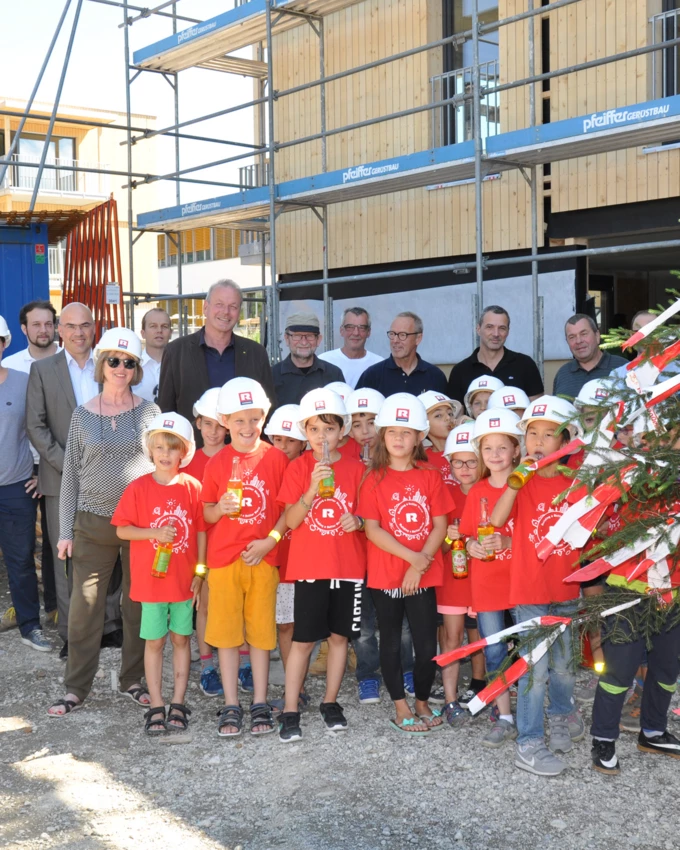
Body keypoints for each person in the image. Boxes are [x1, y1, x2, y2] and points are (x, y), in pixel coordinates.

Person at [47, 327, 160, 717]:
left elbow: (162, 467)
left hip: (140, 526)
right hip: (92, 522)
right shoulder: (82, 415)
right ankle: (76, 687)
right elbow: (71, 478)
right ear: (101, 363)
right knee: (85, 607)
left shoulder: (150, 413)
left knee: (137, 606)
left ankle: (133, 679)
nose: (120, 368)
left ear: (136, 368)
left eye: (129, 362)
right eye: (114, 360)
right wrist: (65, 531)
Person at [490, 395, 585, 776]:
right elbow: (498, 520)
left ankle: (561, 713)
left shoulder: (575, 482)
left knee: (564, 666)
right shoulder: (520, 482)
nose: (539, 441)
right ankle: (528, 742)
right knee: (536, 669)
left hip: (566, 588)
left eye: (549, 434)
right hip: (529, 591)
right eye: (532, 434)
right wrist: (517, 481)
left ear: (564, 441)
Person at [27, 302, 121, 658]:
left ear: (93, 328)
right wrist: (67, 464)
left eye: (85, 325)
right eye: (71, 326)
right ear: (59, 330)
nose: (78, 332)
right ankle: (73, 632)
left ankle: (109, 626)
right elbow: (35, 425)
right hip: (60, 478)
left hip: (107, 477)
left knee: (109, 552)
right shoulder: (42, 370)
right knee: (65, 556)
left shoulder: (110, 365)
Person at [358, 393, 454, 736]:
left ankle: (423, 701)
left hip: (422, 574)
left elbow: (440, 525)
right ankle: (400, 706)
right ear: (383, 435)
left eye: (407, 432)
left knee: (426, 644)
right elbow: (372, 529)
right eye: (392, 432)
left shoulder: (430, 476)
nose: (399, 438)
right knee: (391, 641)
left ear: (419, 437)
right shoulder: (373, 478)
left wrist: (419, 565)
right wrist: (412, 559)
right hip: (387, 573)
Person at [277, 388, 365, 742]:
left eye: (329, 429)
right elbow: (290, 520)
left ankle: (330, 702)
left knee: (340, 637)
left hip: (347, 566)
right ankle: (290, 708)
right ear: (305, 431)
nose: (322, 437)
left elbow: (369, 517)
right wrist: (311, 490)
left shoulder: (358, 469)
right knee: (303, 640)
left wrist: (358, 521)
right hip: (310, 566)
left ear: (342, 431)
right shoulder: (298, 467)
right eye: (314, 429)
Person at [202, 378, 288, 738]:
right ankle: (231, 703)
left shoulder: (276, 458)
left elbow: (287, 510)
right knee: (226, 635)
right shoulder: (217, 462)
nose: (248, 427)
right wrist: (219, 508)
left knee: (261, 634)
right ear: (225, 421)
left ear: (264, 417)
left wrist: (270, 541)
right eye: (239, 420)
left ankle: (260, 701)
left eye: (255, 418)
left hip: (262, 560)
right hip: (225, 561)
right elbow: (205, 513)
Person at [112, 414, 206, 736]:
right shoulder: (138, 488)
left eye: (173, 447)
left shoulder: (192, 487)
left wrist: (201, 571)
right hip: (151, 583)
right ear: (150, 450)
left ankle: (178, 702)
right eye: (159, 447)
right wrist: (153, 532)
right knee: (154, 642)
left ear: (184, 451)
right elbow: (122, 530)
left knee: (181, 639)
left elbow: (201, 531)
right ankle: (156, 703)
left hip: (183, 582)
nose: (166, 454)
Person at [461, 409, 521, 746]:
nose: (495, 454)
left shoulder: (526, 487)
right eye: (487, 448)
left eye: (502, 447)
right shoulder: (477, 491)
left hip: (523, 582)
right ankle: (505, 715)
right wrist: (470, 545)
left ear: (516, 450)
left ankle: (534, 712)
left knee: (531, 649)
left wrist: (508, 541)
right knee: (495, 652)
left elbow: (537, 535)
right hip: (487, 584)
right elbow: (467, 536)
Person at [157, 280, 275, 441]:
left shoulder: (256, 353)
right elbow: (166, 411)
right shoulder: (176, 351)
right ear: (205, 308)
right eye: (219, 304)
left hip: (243, 451)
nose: (226, 312)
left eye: (233, 306)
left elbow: (268, 410)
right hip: (194, 450)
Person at [1, 300, 59, 632]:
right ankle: (23, 607)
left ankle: (51, 607)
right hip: (24, 471)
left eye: (48, 323)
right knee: (23, 549)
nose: (43, 329)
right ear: (23, 329)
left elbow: (44, 424)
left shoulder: (63, 363)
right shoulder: (13, 365)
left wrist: (44, 469)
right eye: (35, 324)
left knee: (50, 543)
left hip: (40, 470)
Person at [262, 404, 308, 713]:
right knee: (286, 625)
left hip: (307, 559)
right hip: (277, 558)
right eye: (277, 439)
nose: (282, 446)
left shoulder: (310, 469)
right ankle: (296, 689)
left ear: (303, 441)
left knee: (309, 627)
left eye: (290, 440)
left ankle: (299, 686)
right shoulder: (265, 467)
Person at [183, 388, 228, 699]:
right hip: (202, 548)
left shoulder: (236, 458)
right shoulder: (188, 463)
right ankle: (208, 665)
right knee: (205, 605)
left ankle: (243, 663)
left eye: (220, 425)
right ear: (197, 424)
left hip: (234, 545)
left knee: (238, 606)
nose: (213, 431)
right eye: (207, 423)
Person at [437, 424, 480, 726]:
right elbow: (436, 546)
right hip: (453, 578)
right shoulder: (446, 493)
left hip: (484, 580)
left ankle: (482, 689)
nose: (464, 469)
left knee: (482, 638)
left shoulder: (491, 491)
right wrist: (447, 537)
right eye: (457, 462)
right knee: (451, 637)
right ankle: (450, 700)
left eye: (471, 462)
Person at [446, 306, 544, 404]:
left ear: (508, 331)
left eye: (502, 328)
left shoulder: (525, 365)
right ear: (478, 329)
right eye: (489, 327)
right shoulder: (460, 371)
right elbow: (456, 411)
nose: (496, 334)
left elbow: (536, 408)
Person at [356, 312, 447, 396]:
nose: (395, 340)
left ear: (418, 338)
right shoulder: (372, 375)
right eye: (392, 334)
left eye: (402, 335)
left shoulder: (435, 376)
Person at [272, 312, 345, 406]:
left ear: (318, 339)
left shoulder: (334, 374)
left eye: (310, 336)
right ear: (286, 339)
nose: (304, 342)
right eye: (297, 336)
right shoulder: (271, 376)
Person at [552, 314, 627, 399]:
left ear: (597, 336)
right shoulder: (563, 374)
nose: (578, 341)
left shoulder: (623, 368)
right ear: (567, 342)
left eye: (584, 334)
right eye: (572, 337)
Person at [318, 307, 383, 388]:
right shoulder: (324, 362)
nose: (356, 333)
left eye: (362, 328)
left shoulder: (380, 365)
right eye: (350, 327)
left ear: (368, 332)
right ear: (341, 331)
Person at [136, 308, 172, 405]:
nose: (159, 331)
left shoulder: (181, 366)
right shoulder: (131, 366)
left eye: (164, 326)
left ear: (170, 333)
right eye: (153, 326)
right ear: (143, 333)